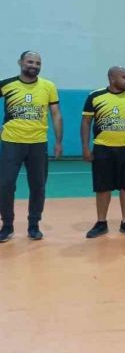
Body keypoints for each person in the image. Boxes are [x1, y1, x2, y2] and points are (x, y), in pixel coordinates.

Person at [81, 66, 125, 238]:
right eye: (124, 77)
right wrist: (85, 147)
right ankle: (101, 223)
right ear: (112, 79)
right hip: (102, 149)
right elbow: (86, 122)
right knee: (102, 187)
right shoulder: (95, 97)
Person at [0, 51, 63, 242]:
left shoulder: (48, 86)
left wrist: (58, 142)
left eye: (37, 63)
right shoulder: (7, 84)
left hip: (38, 143)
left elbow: (56, 115)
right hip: (11, 142)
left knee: (38, 186)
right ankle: (7, 225)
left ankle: (34, 225)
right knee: (5, 184)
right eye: (30, 62)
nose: (34, 65)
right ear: (20, 62)